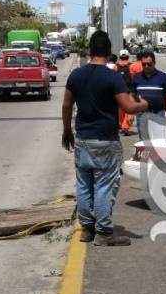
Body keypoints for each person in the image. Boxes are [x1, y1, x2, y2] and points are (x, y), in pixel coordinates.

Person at [61, 31, 148, 246]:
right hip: (106, 140)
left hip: (82, 138)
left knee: (83, 185)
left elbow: (66, 105)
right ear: (109, 52)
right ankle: (104, 233)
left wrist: (67, 131)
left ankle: (87, 230)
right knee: (104, 186)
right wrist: (144, 105)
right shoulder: (112, 77)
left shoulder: (76, 75)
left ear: (90, 50)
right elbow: (128, 106)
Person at [130, 51, 166, 137]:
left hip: (159, 114)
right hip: (142, 114)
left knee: (159, 141)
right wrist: (131, 112)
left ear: (154, 63)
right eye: (144, 64)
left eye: (149, 64)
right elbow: (131, 95)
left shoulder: (163, 76)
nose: (146, 66)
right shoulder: (136, 77)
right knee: (144, 142)